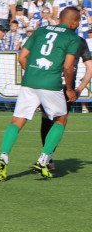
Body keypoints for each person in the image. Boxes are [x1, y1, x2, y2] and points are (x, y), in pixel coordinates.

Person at [0, 7, 83, 181]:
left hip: (29, 82)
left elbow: (22, 58)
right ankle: (43, 160)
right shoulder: (72, 37)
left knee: (17, 120)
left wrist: (34, 74)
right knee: (61, 119)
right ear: (73, 21)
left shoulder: (40, 30)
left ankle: (3, 156)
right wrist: (71, 89)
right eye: (78, 21)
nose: (79, 23)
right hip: (50, 84)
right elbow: (67, 66)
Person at [39, 39, 92, 169]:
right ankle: (47, 157)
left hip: (47, 83)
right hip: (66, 88)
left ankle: (47, 158)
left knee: (46, 120)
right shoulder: (80, 42)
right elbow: (90, 69)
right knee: (59, 122)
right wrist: (79, 89)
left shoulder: (51, 37)